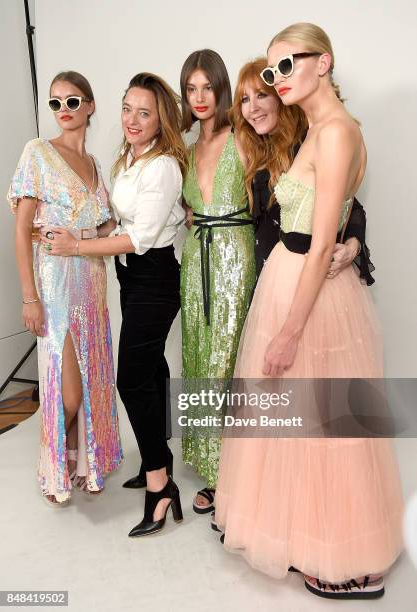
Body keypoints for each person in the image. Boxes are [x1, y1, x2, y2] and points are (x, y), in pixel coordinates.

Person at [215, 23, 403, 599]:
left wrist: (290, 332)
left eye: (289, 64)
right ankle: (301, 537)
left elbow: (322, 242)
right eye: (273, 71)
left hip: (312, 299)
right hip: (292, 285)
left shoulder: (338, 132)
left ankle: (344, 556)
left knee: (327, 428)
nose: (278, 79)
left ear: (324, 62)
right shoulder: (322, 129)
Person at [41, 72, 187, 537]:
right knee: (152, 370)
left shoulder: (162, 166)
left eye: (145, 113)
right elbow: (114, 222)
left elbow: (138, 238)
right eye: (128, 108)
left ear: (161, 119)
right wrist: (80, 236)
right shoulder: (128, 158)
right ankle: (152, 458)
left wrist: (76, 249)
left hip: (154, 278)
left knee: (132, 378)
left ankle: (160, 483)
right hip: (131, 278)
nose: (133, 119)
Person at [8, 71, 123, 506]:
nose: (63, 111)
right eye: (55, 103)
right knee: (67, 387)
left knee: (91, 377)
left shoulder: (95, 165)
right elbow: (22, 233)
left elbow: (106, 224)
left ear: (90, 106)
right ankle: (51, 466)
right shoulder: (37, 153)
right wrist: (29, 296)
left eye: (72, 102)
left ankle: (78, 460)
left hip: (93, 283)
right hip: (55, 286)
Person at [179, 49, 256, 513]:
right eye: (191, 88)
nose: (200, 96)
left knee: (231, 362)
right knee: (198, 358)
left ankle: (238, 473)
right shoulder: (185, 149)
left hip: (235, 258)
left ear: (222, 87)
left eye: (208, 86)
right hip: (195, 264)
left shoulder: (243, 137)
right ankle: (212, 470)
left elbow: (281, 193)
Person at [232, 57, 374, 283]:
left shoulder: (308, 144)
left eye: (261, 95)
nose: (252, 109)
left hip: (302, 276)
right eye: (244, 100)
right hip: (262, 277)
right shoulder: (254, 149)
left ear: (281, 96)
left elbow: (348, 204)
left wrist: (352, 246)